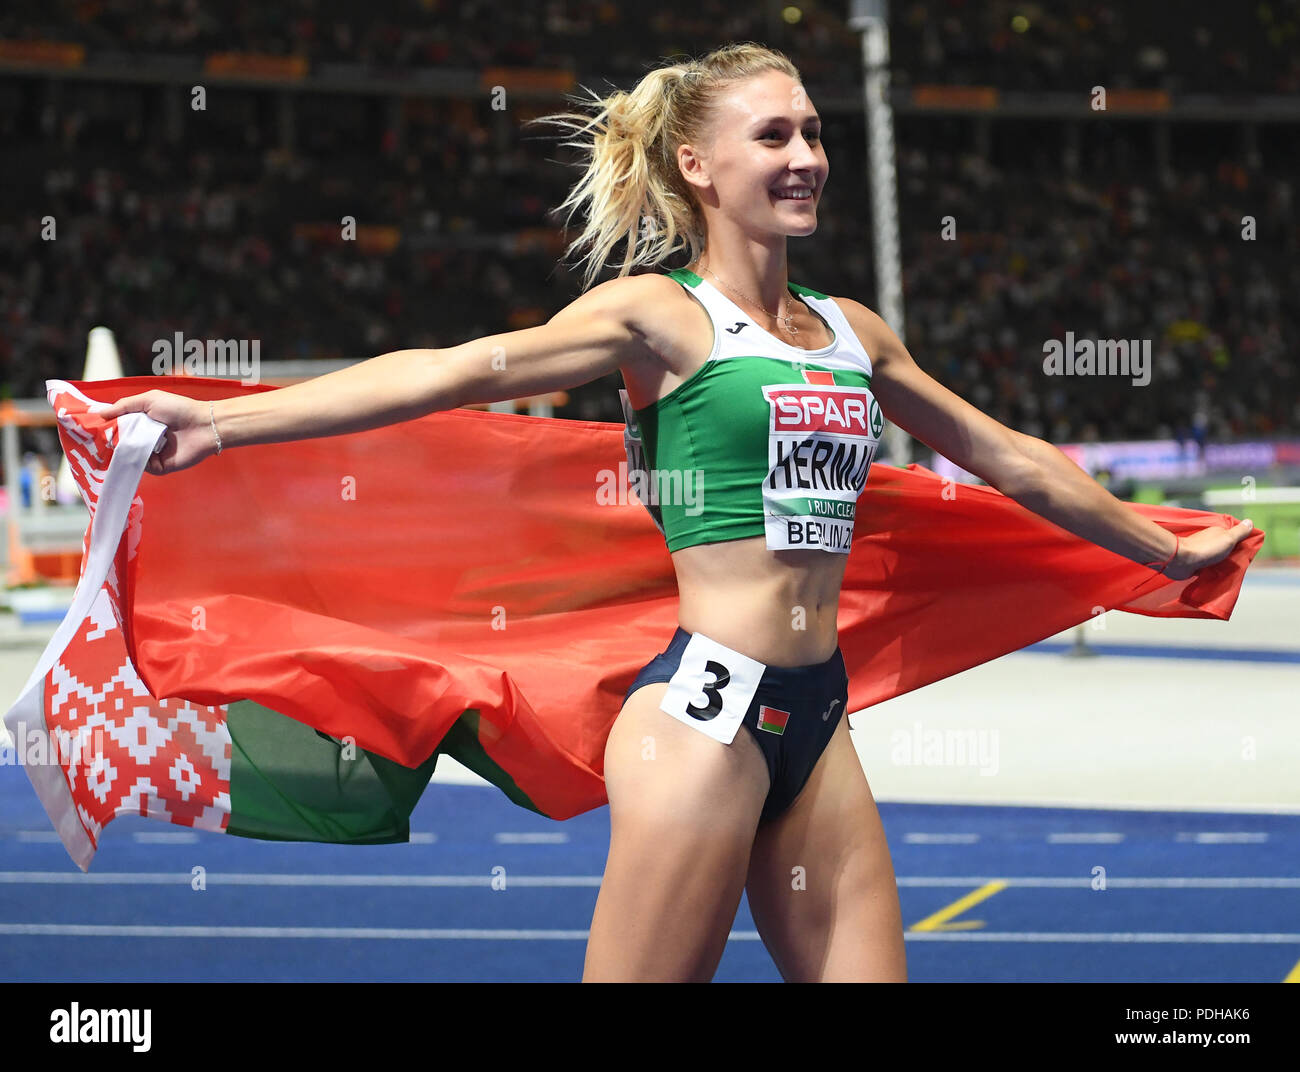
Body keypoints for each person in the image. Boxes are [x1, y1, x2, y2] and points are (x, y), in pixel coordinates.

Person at [98, 42, 1254, 983]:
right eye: (775, 136)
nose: (806, 156)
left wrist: (1164, 549)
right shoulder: (658, 317)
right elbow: (449, 370)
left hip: (818, 717)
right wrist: (225, 423)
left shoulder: (853, 330)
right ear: (698, 165)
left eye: (812, 133)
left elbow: (1006, 457)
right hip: (702, 721)